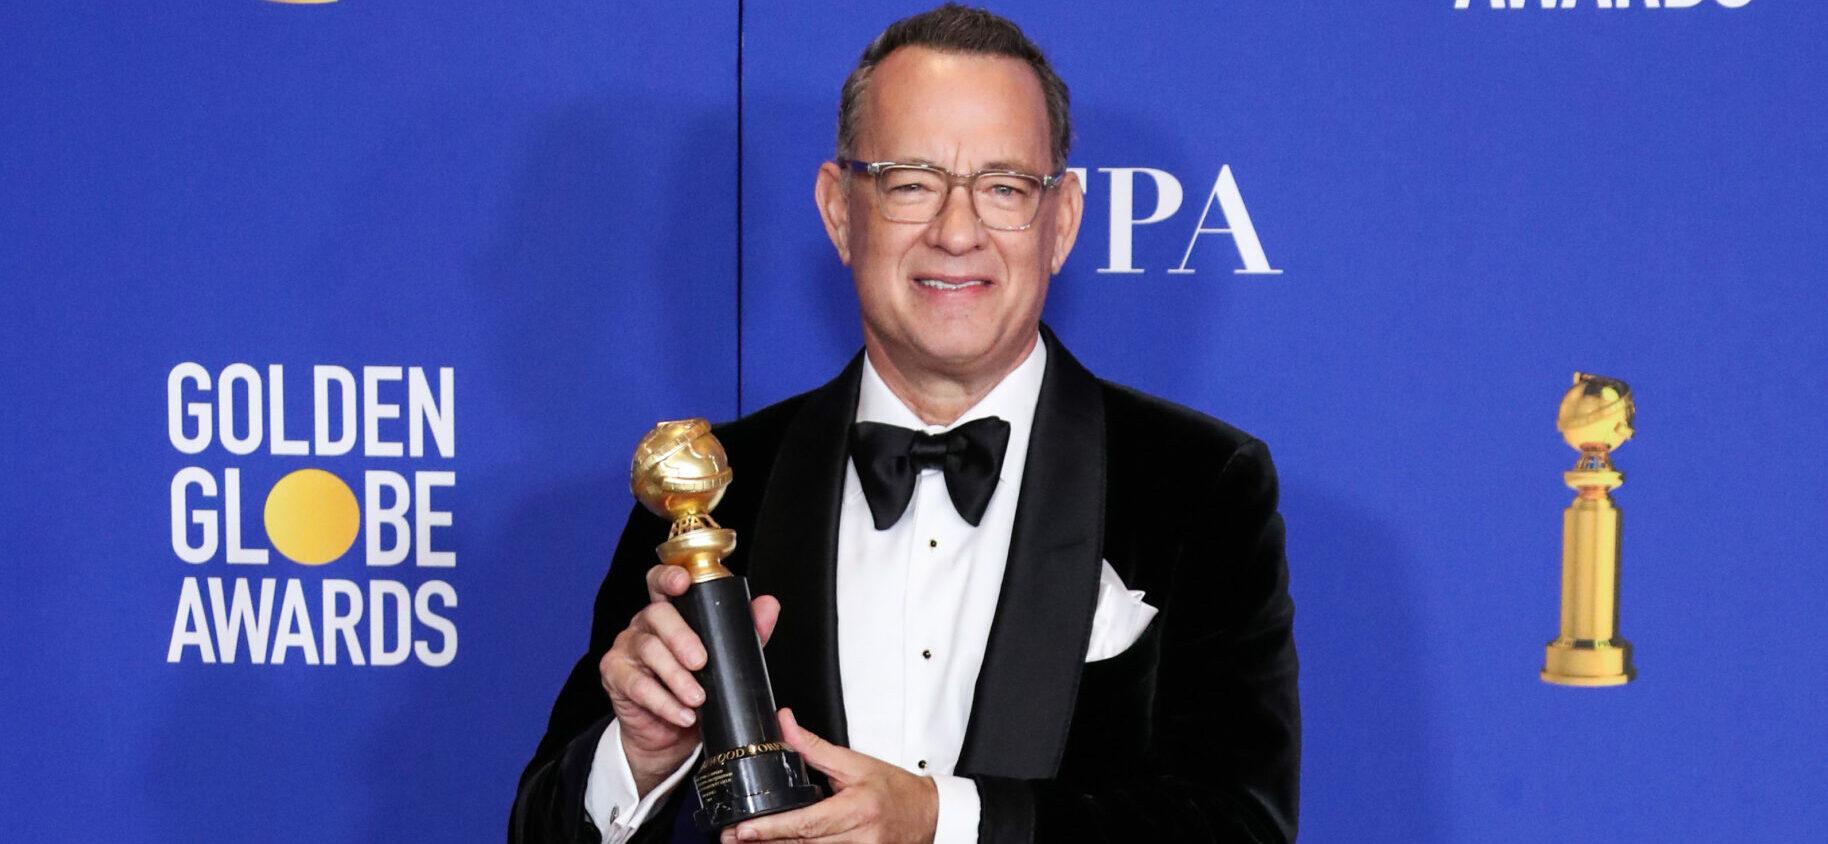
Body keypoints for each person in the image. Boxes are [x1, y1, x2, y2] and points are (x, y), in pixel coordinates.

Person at [512, 5, 1299, 842]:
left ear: (1061, 221)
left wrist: (943, 821)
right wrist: (638, 754)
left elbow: (1239, 826)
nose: (955, 233)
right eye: (910, 182)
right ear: (838, 209)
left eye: (1002, 188)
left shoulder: (1198, 484)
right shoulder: (710, 491)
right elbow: (541, 828)